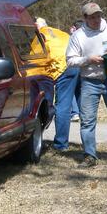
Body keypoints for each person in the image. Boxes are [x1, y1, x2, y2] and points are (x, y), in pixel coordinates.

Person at [65, 2, 107, 167]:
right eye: (92, 17)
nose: (96, 20)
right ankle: (90, 155)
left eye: (98, 16)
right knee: (87, 120)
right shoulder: (78, 36)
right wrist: (88, 59)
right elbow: (70, 60)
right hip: (89, 81)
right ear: (85, 18)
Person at [32, 17, 80, 152]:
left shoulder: (40, 36)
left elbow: (35, 61)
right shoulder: (60, 32)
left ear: (36, 26)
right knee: (71, 105)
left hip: (60, 69)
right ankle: (69, 144)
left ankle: (54, 143)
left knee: (55, 106)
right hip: (74, 65)